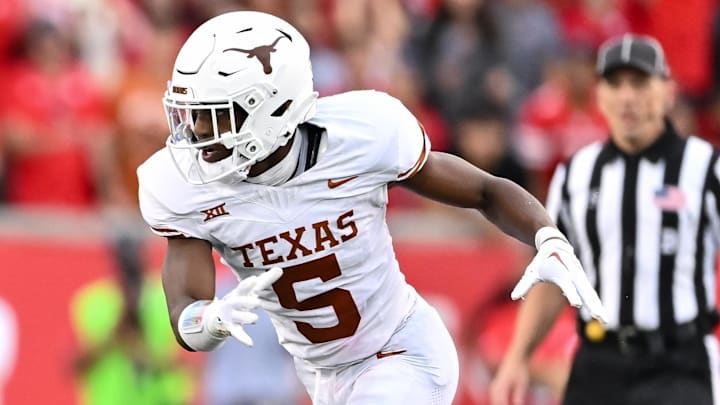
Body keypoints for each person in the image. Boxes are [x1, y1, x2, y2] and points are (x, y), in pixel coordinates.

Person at [136, 11, 605, 405]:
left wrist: (546, 234)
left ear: (271, 109)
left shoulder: (362, 135)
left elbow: (483, 190)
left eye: (214, 115)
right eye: (191, 113)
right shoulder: (185, 187)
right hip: (324, 376)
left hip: (400, 349)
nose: (196, 132)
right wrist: (210, 320)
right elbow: (184, 310)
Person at [490, 34, 720, 405]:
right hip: (598, 364)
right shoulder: (576, 173)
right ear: (600, 94)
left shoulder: (706, 168)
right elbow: (554, 273)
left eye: (640, 82)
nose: (627, 96)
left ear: (667, 91)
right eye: (615, 83)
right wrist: (518, 356)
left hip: (680, 364)